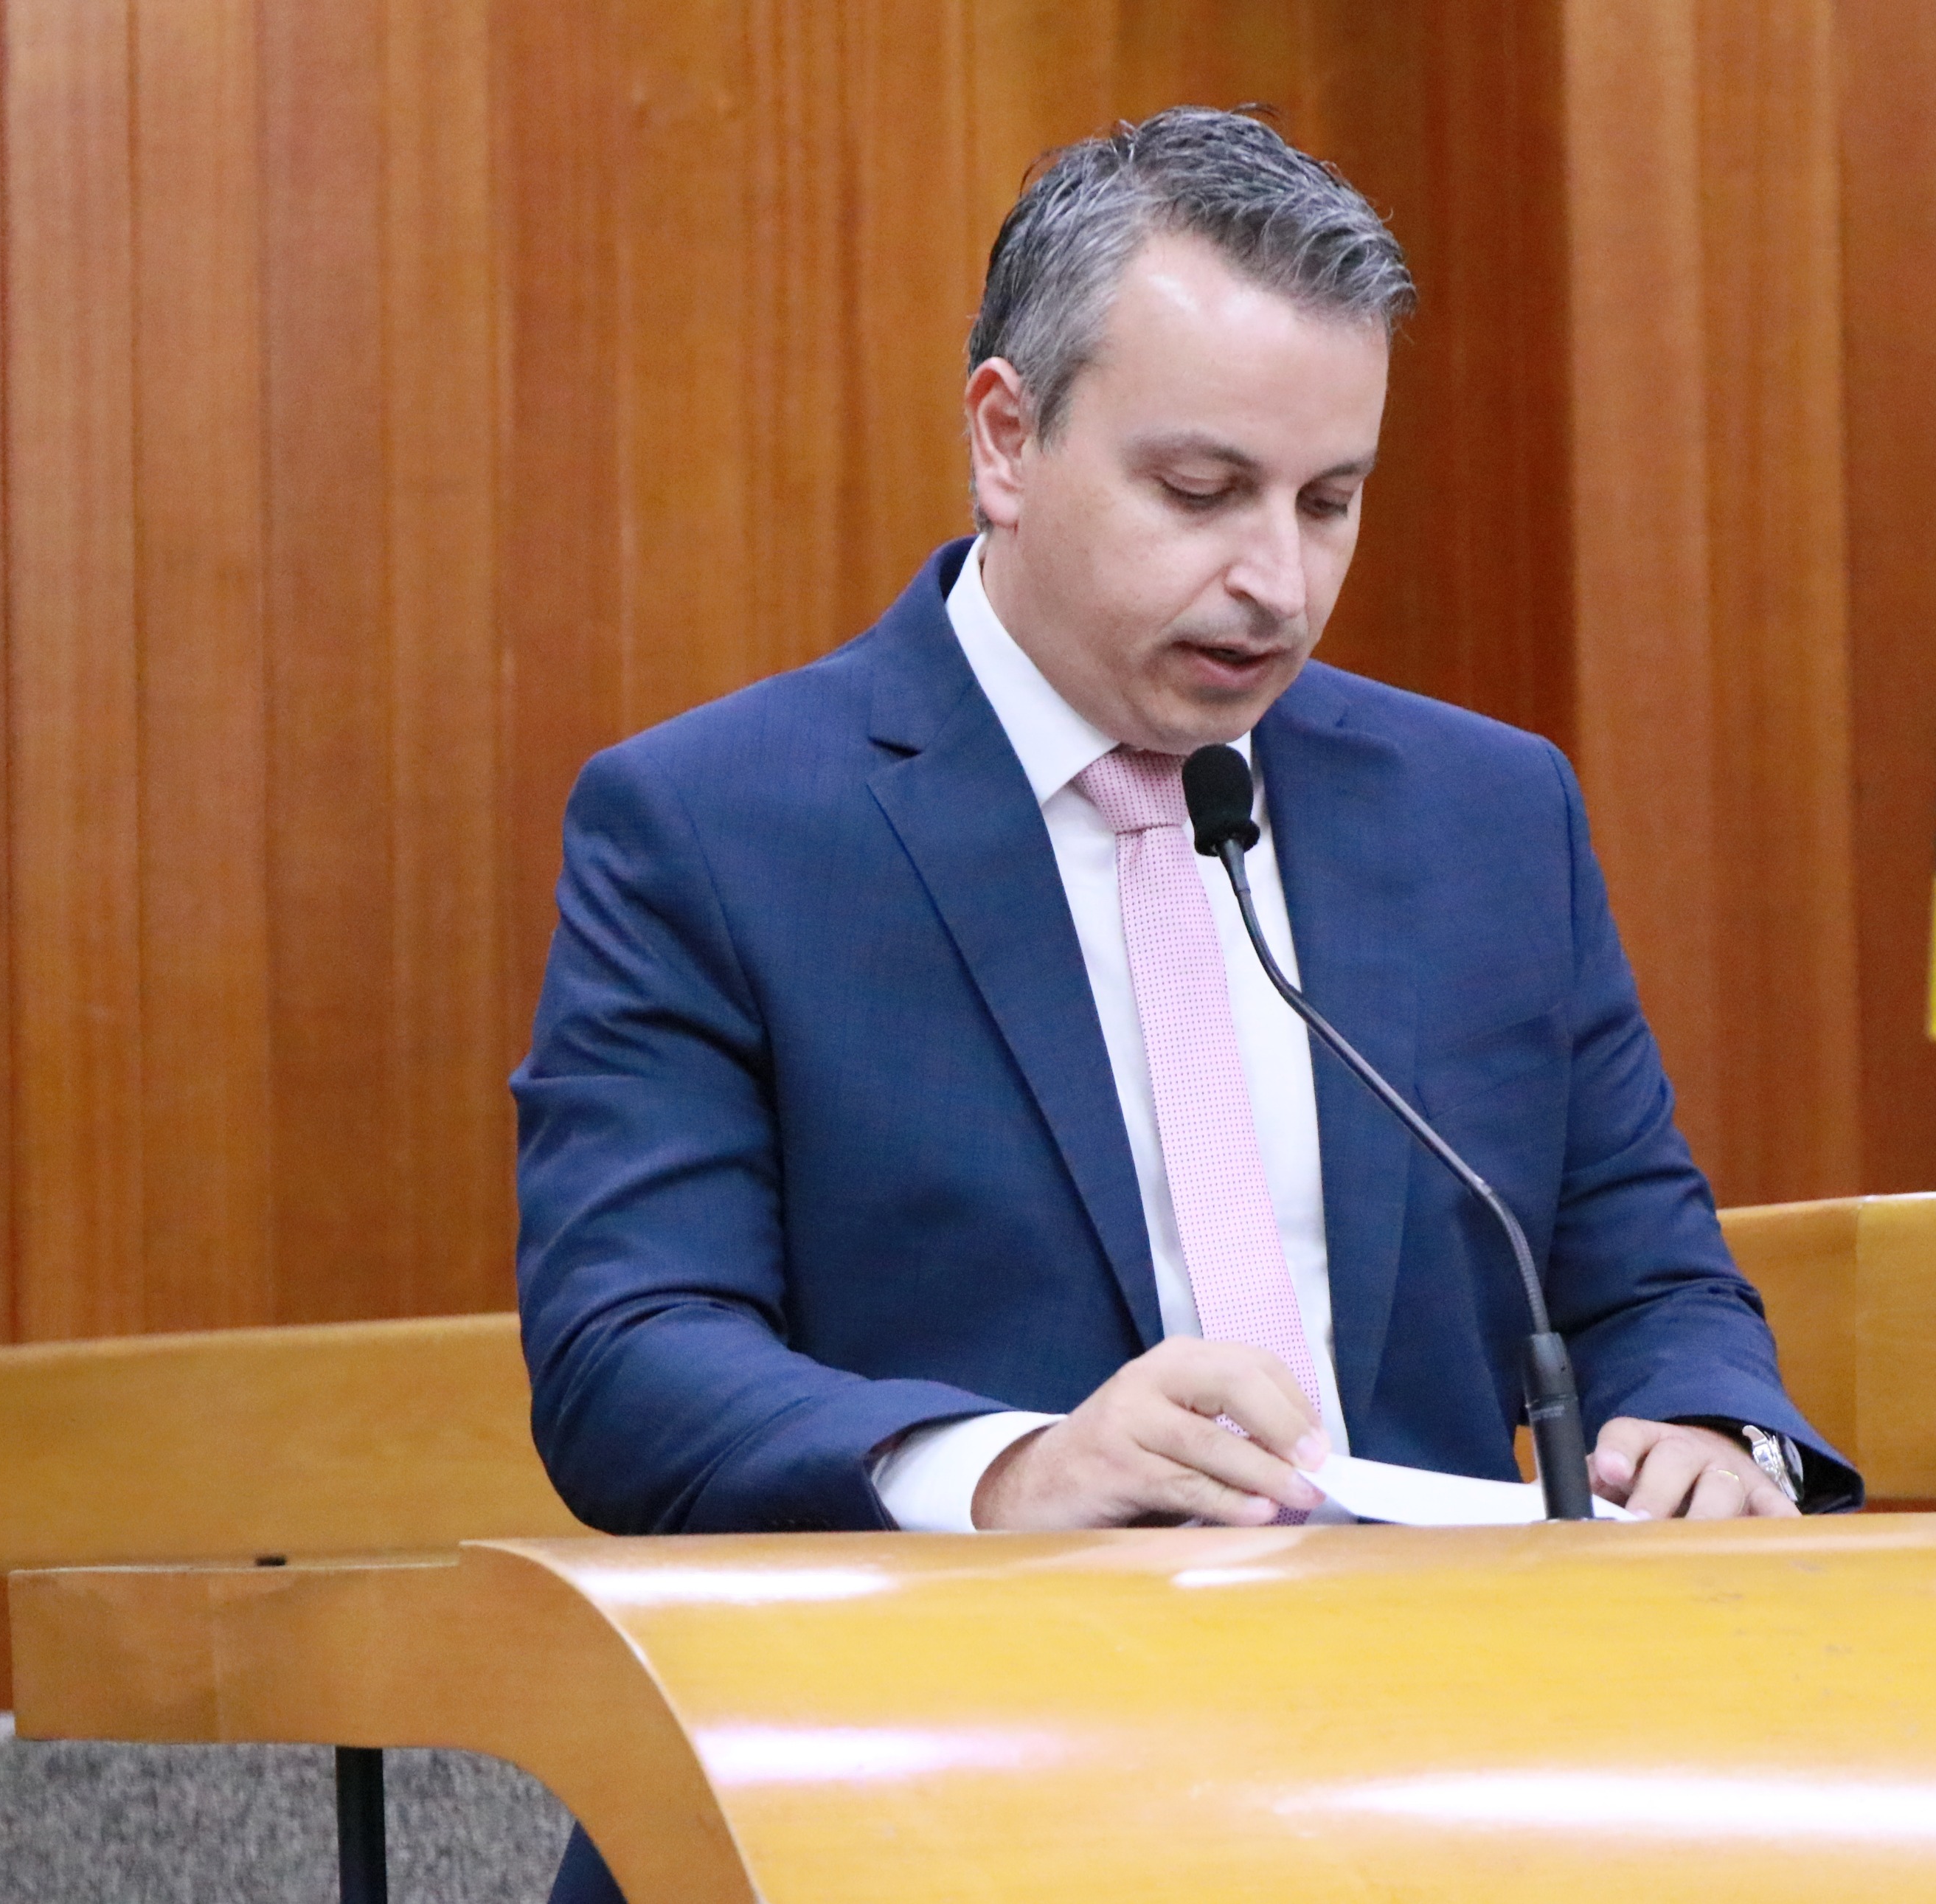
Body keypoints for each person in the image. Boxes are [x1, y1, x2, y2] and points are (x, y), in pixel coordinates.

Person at [515, 105, 1856, 1904]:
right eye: (1203, 492)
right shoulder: (714, 824)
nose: (1276, 583)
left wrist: (1707, 1427)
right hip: (911, 1796)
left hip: (1437, 1791)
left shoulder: (1483, 813)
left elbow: (1645, 1274)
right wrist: (1008, 1471)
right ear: (1007, 438)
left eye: (1329, 501)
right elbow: (628, 1355)